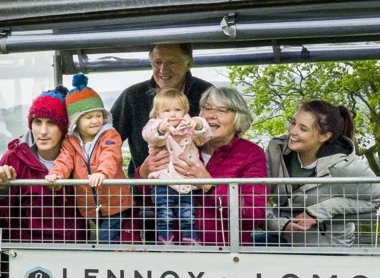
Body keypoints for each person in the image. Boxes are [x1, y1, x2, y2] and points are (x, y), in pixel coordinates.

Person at [140, 84, 267, 245]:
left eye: (222, 110)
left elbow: (253, 216)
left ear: (238, 117)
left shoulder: (250, 153)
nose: (211, 116)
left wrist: (209, 184)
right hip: (175, 252)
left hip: (226, 253)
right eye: (207, 108)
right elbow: (144, 200)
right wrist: (143, 174)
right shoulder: (179, 141)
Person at [260, 99, 380, 245]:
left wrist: (318, 211)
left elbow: (378, 201)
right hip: (282, 238)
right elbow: (255, 194)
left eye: (303, 129)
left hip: (326, 247)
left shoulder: (346, 167)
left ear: (324, 136)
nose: (292, 131)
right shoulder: (276, 151)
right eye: (293, 122)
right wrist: (280, 226)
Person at [0, 87, 83, 246]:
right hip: (28, 256)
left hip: (74, 252)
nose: (43, 131)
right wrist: (1, 190)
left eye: (51, 123)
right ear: (30, 125)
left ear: (63, 128)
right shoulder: (13, 158)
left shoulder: (80, 155)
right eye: (37, 122)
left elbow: (105, 201)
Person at [48, 75, 130, 243]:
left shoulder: (110, 135)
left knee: (106, 240)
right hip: (89, 205)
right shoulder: (70, 141)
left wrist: (102, 173)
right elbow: (65, 160)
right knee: (102, 238)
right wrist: (57, 174)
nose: (95, 121)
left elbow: (110, 156)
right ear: (76, 121)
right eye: (88, 117)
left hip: (115, 203)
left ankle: (106, 264)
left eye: (99, 115)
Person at [111, 42, 213, 175]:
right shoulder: (132, 96)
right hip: (145, 188)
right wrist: (139, 173)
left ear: (188, 63)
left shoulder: (205, 93)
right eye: (157, 62)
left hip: (197, 189)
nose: (163, 69)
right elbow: (108, 141)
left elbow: (221, 141)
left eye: (171, 62)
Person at [141, 88, 211, 243]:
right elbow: (150, 136)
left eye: (177, 110)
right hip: (163, 180)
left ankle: (190, 239)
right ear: (157, 113)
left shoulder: (188, 126)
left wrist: (198, 125)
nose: (172, 114)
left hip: (186, 180)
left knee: (188, 214)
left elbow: (203, 138)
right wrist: (161, 129)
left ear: (185, 110)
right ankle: (165, 239)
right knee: (164, 214)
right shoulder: (155, 125)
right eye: (166, 110)